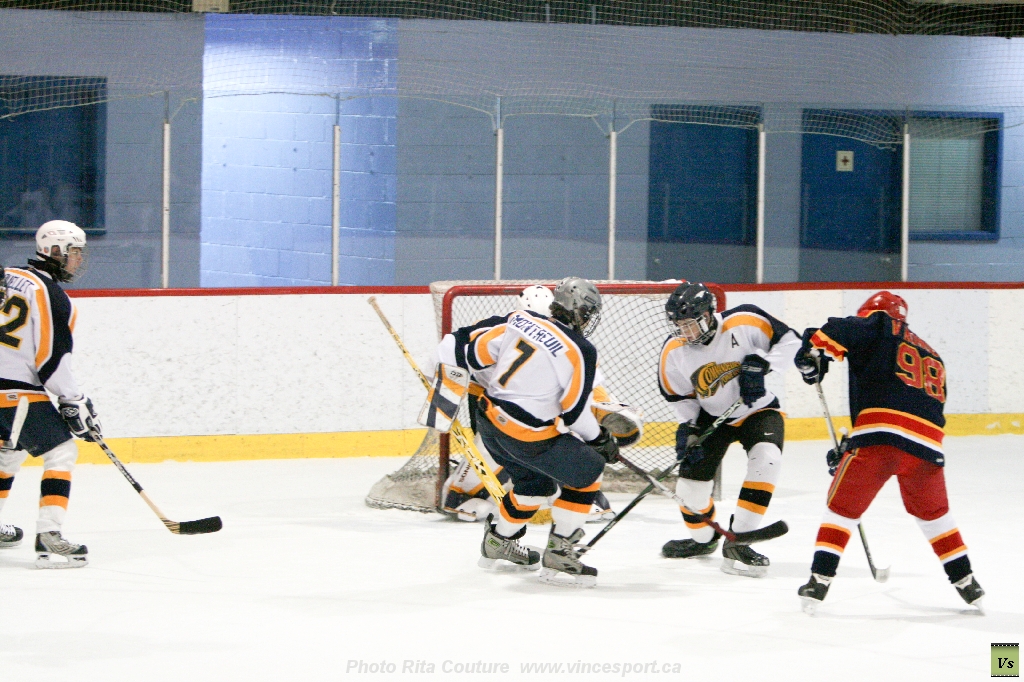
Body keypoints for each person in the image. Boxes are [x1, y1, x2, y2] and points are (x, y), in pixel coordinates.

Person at [794, 291, 984, 612]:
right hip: (927, 447)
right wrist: (853, 446)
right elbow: (919, 405)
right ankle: (966, 580)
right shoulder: (934, 355)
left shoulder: (879, 324)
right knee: (935, 516)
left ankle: (819, 578)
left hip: (879, 437)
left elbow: (834, 330)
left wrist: (809, 352)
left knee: (842, 509)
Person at [437, 277, 618, 587]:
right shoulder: (581, 349)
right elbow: (574, 413)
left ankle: (499, 542)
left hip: (488, 424)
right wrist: (600, 440)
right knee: (590, 469)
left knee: (535, 484)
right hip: (526, 436)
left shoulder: (520, 320)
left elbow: (475, 354)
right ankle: (560, 553)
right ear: (581, 313)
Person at [657, 282, 800, 577]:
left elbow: (791, 342)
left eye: (691, 323)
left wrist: (763, 364)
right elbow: (679, 396)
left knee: (767, 459)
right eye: (680, 325)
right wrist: (691, 429)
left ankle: (739, 541)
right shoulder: (674, 351)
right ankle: (704, 540)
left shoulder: (744, 321)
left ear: (708, 314)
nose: (686, 332)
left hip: (757, 410)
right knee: (689, 492)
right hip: (711, 417)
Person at [0, 220, 101, 568]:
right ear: (54, 251)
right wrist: (73, 400)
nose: (78, 259)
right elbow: (51, 360)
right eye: (74, 252)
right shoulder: (53, 297)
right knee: (61, 451)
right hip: (14, 390)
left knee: (8, 453)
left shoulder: (9, 275)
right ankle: (49, 536)